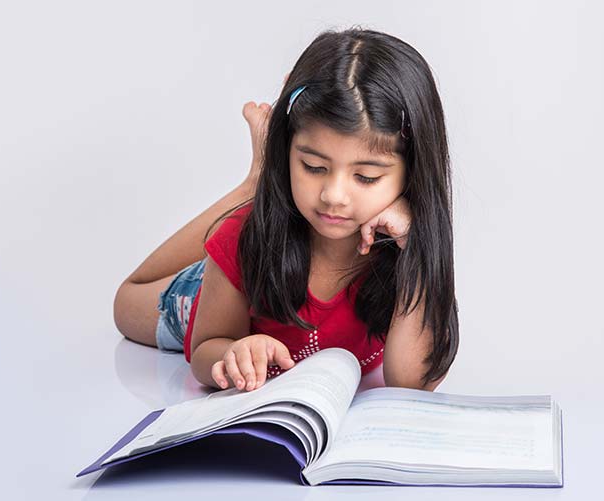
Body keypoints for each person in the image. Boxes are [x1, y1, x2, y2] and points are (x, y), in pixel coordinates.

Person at [113, 27, 459, 394]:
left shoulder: (408, 250)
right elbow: (204, 350)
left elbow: (411, 382)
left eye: (366, 177)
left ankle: (265, 180)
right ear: (289, 151)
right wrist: (234, 352)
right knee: (127, 301)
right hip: (218, 286)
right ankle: (257, 182)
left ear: (412, 173)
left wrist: (418, 247)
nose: (333, 196)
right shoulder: (245, 239)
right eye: (313, 167)